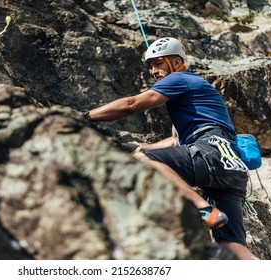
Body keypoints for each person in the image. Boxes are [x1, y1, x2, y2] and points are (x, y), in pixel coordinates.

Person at [79, 37, 259, 260]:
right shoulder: (196, 96)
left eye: (158, 63)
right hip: (231, 166)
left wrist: (85, 116)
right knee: (234, 248)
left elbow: (131, 105)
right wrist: (148, 146)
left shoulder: (180, 78)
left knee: (142, 160)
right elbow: (176, 142)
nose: (154, 71)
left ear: (176, 61)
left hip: (210, 152)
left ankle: (203, 210)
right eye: (151, 66)